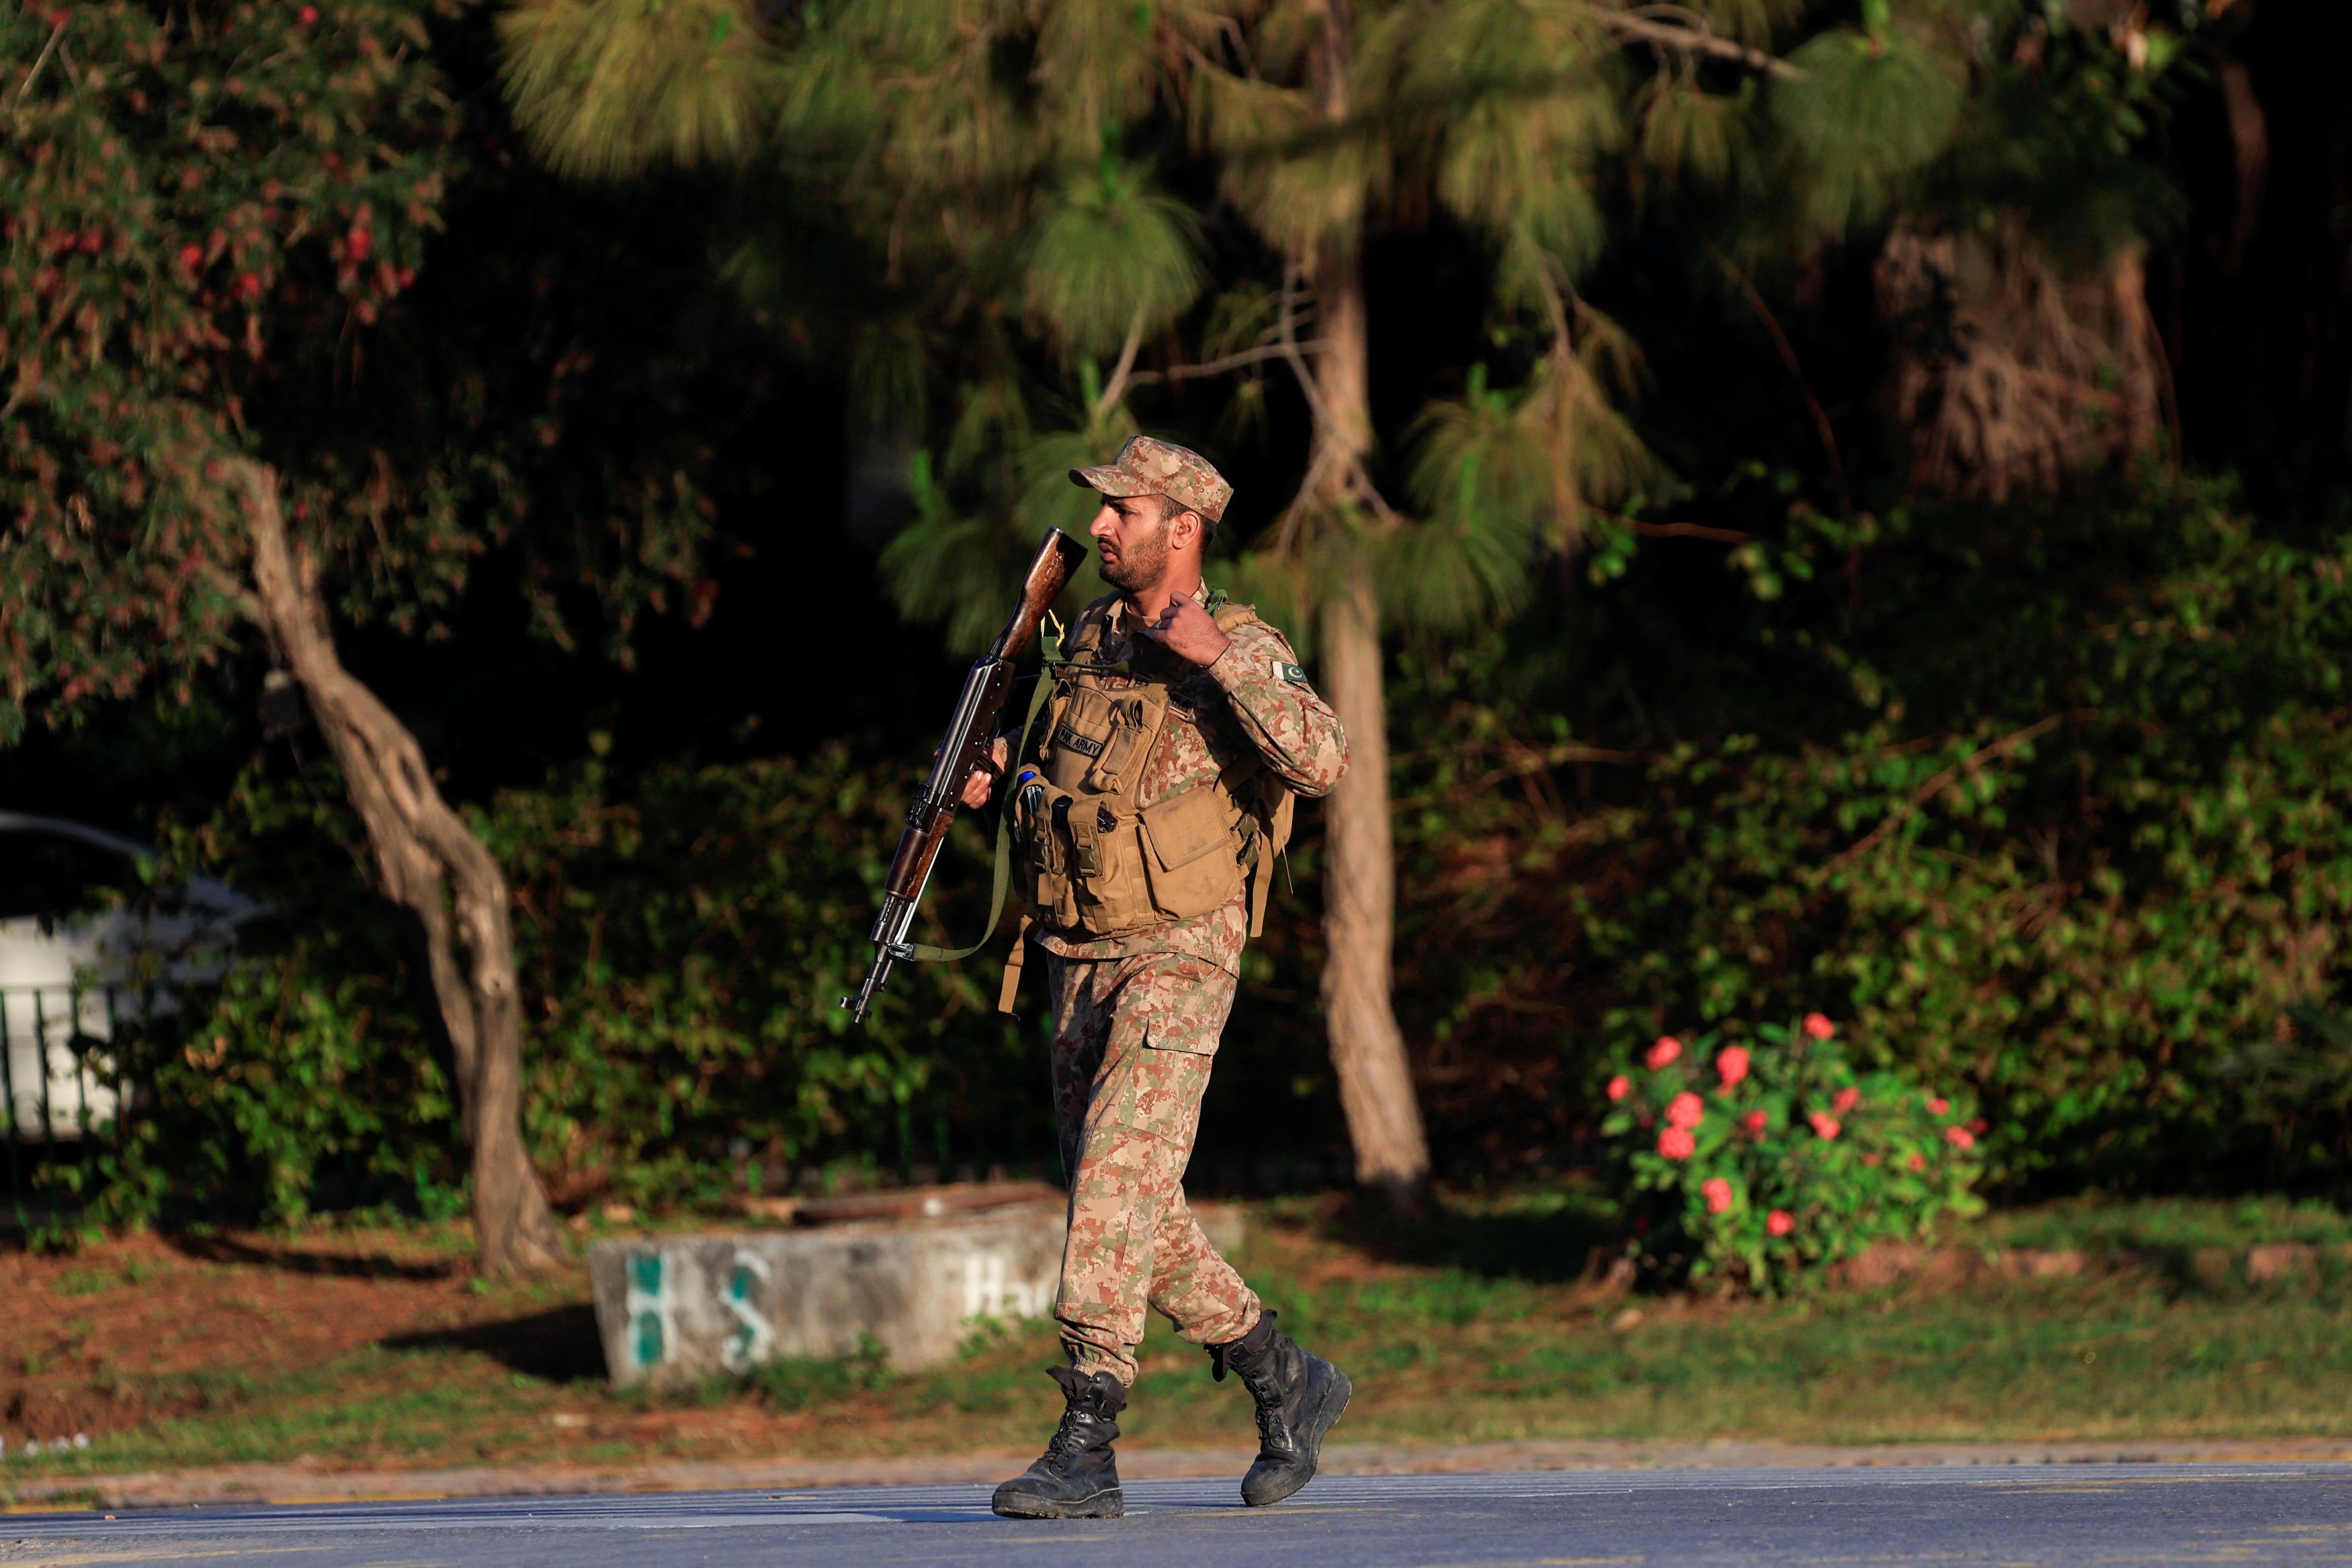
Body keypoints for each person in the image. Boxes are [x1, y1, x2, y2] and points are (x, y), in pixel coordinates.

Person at [961, 435, 1354, 1520]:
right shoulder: (1089, 634)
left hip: (1182, 949)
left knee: (1115, 1183)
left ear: (1182, 528)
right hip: (1079, 948)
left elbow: (1323, 759)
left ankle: (1087, 1435)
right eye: (1101, 510)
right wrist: (1002, 770)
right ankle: (1285, 1375)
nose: (1099, 526)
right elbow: (1062, 763)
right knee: (1128, 1198)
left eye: (1120, 511)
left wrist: (1217, 657)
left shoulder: (1241, 640)